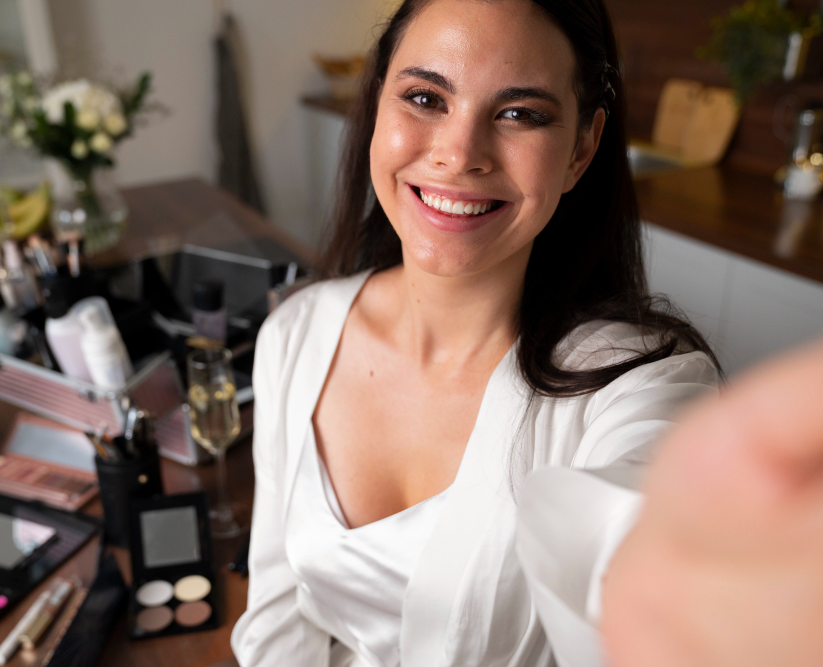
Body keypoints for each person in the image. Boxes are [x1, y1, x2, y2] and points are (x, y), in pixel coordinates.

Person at [230, 0, 823, 665]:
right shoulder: (295, 334)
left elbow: (643, 555)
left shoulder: (638, 384)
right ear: (375, 107)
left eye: (521, 113)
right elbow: (278, 614)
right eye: (425, 97)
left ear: (581, 150)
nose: (459, 154)